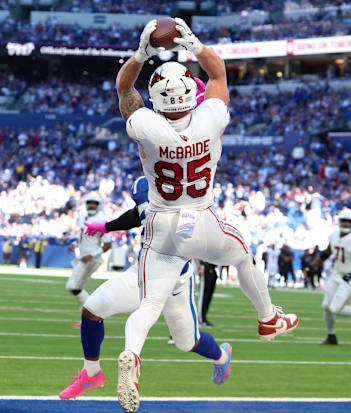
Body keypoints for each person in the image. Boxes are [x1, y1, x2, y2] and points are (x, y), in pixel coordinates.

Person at [114, 19, 297, 413]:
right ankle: (267, 317)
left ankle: (132, 353)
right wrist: (195, 45)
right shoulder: (210, 116)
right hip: (201, 218)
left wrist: (142, 53)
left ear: (157, 99)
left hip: (160, 223)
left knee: (148, 304)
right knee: (243, 254)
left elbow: (124, 88)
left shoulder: (144, 122)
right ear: (189, 96)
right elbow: (218, 72)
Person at [59, 176, 231, 400]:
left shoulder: (187, 197)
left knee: (187, 342)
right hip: (143, 271)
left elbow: (186, 239)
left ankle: (221, 357)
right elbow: (137, 214)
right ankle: (93, 374)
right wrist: (106, 226)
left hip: (175, 279)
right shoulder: (145, 183)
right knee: (92, 309)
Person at [312, 208, 351, 345]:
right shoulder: (334, 235)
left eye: (348, 221)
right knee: (326, 306)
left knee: (335, 308)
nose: (345, 224)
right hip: (336, 274)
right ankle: (331, 335)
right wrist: (312, 265)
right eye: (343, 221)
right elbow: (326, 253)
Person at [66, 193, 112, 322]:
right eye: (90, 202)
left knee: (72, 286)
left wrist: (91, 255)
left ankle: (94, 314)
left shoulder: (101, 221)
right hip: (83, 257)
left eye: (94, 203)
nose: (92, 205)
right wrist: (74, 244)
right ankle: (86, 319)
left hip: (91, 259)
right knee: (77, 287)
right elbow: (82, 237)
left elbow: (107, 245)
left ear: (98, 205)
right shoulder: (82, 217)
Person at [197, 259, 219, 327]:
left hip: (213, 266)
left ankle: (204, 318)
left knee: (209, 296)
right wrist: (199, 266)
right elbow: (195, 253)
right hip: (204, 266)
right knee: (203, 295)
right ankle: (201, 319)